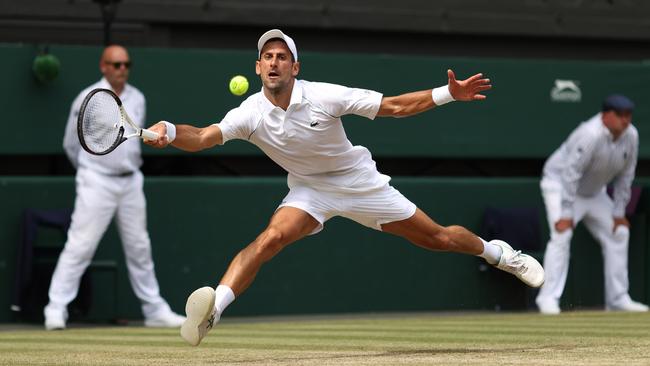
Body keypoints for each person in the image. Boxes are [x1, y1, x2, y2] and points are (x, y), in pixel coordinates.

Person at [145, 29, 545, 346]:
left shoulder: (324, 96)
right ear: (257, 67)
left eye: (282, 56)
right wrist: (168, 130)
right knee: (270, 238)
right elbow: (199, 137)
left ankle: (501, 255)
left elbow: (393, 106)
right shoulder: (249, 112)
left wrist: (448, 95)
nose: (274, 62)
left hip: (359, 183)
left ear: (295, 68)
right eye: (267, 56)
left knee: (437, 238)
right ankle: (215, 308)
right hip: (308, 190)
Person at [44, 45, 186, 330]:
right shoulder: (87, 98)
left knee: (139, 247)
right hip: (95, 180)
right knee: (81, 245)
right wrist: (90, 171)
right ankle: (56, 307)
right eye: (116, 64)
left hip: (131, 181)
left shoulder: (138, 98)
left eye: (126, 64)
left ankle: (154, 309)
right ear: (103, 66)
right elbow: (72, 145)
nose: (122, 69)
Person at [535, 95, 649, 315]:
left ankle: (617, 299)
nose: (626, 121)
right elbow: (570, 173)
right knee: (562, 235)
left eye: (628, 116)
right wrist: (566, 213)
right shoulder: (589, 134)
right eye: (620, 116)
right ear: (606, 116)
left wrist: (618, 211)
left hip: (593, 192)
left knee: (620, 232)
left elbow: (626, 175)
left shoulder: (631, 135)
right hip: (559, 185)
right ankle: (547, 299)